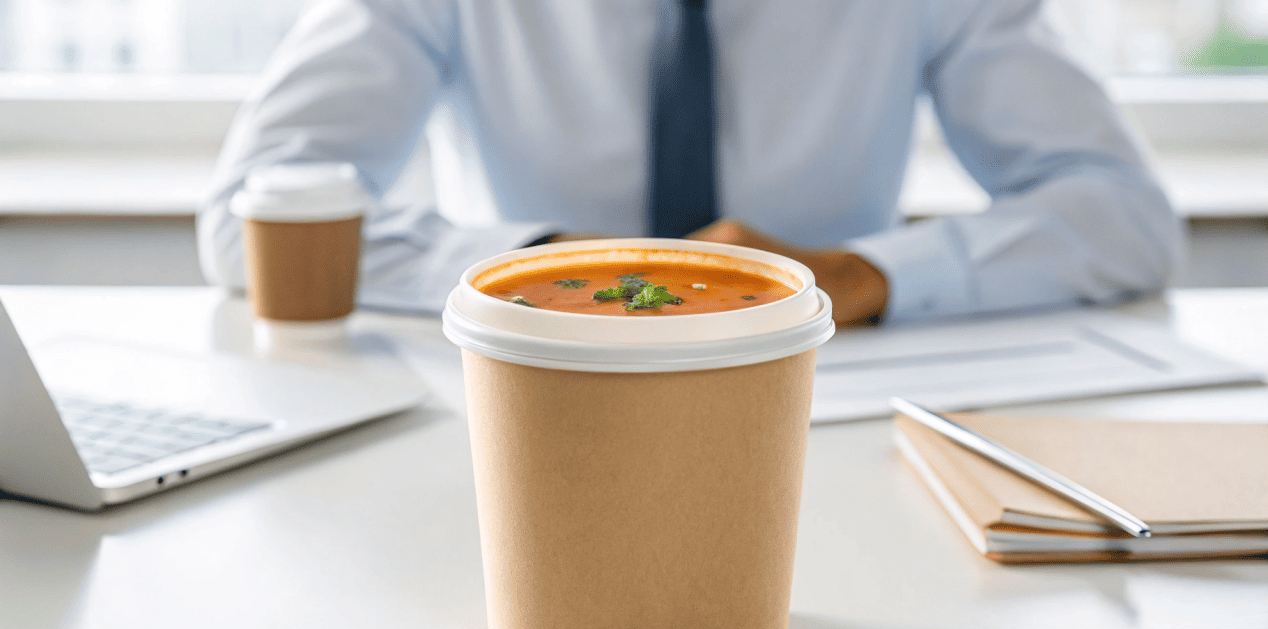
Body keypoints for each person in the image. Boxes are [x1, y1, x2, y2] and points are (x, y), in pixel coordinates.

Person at [198, 0, 1183, 326]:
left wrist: (863, 274)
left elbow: (1122, 214)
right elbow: (253, 214)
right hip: (517, 398)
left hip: (825, 402)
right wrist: (557, 272)